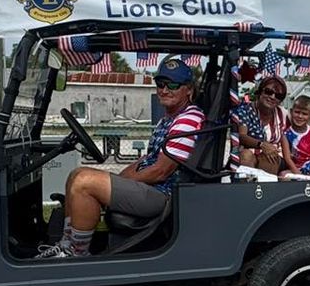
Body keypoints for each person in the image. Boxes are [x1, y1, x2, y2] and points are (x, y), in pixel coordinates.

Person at [41, 55, 203, 258]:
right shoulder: (169, 119)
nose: (164, 89)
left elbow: (160, 171)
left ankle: (77, 253)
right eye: (160, 83)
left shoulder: (189, 119)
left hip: (163, 196)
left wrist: (118, 181)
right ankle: (66, 244)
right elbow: (146, 161)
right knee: (77, 174)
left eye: (173, 84)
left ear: (189, 89)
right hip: (149, 189)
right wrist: (116, 180)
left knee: (84, 182)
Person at [229, 73, 290, 172]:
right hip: (249, 151)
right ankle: (247, 186)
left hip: (274, 156)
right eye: (268, 92)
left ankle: (266, 187)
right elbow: (242, 136)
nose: (272, 97)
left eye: (278, 95)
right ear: (260, 91)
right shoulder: (246, 109)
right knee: (246, 155)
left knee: (269, 159)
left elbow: (299, 127)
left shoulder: (283, 113)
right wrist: (262, 145)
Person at [282, 94, 310, 174]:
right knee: (283, 175)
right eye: (297, 112)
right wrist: (297, 173)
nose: (300, 116)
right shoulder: (286, 135)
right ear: (291, 112)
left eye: (304, 114)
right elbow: (287, 158)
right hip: (297, 167)